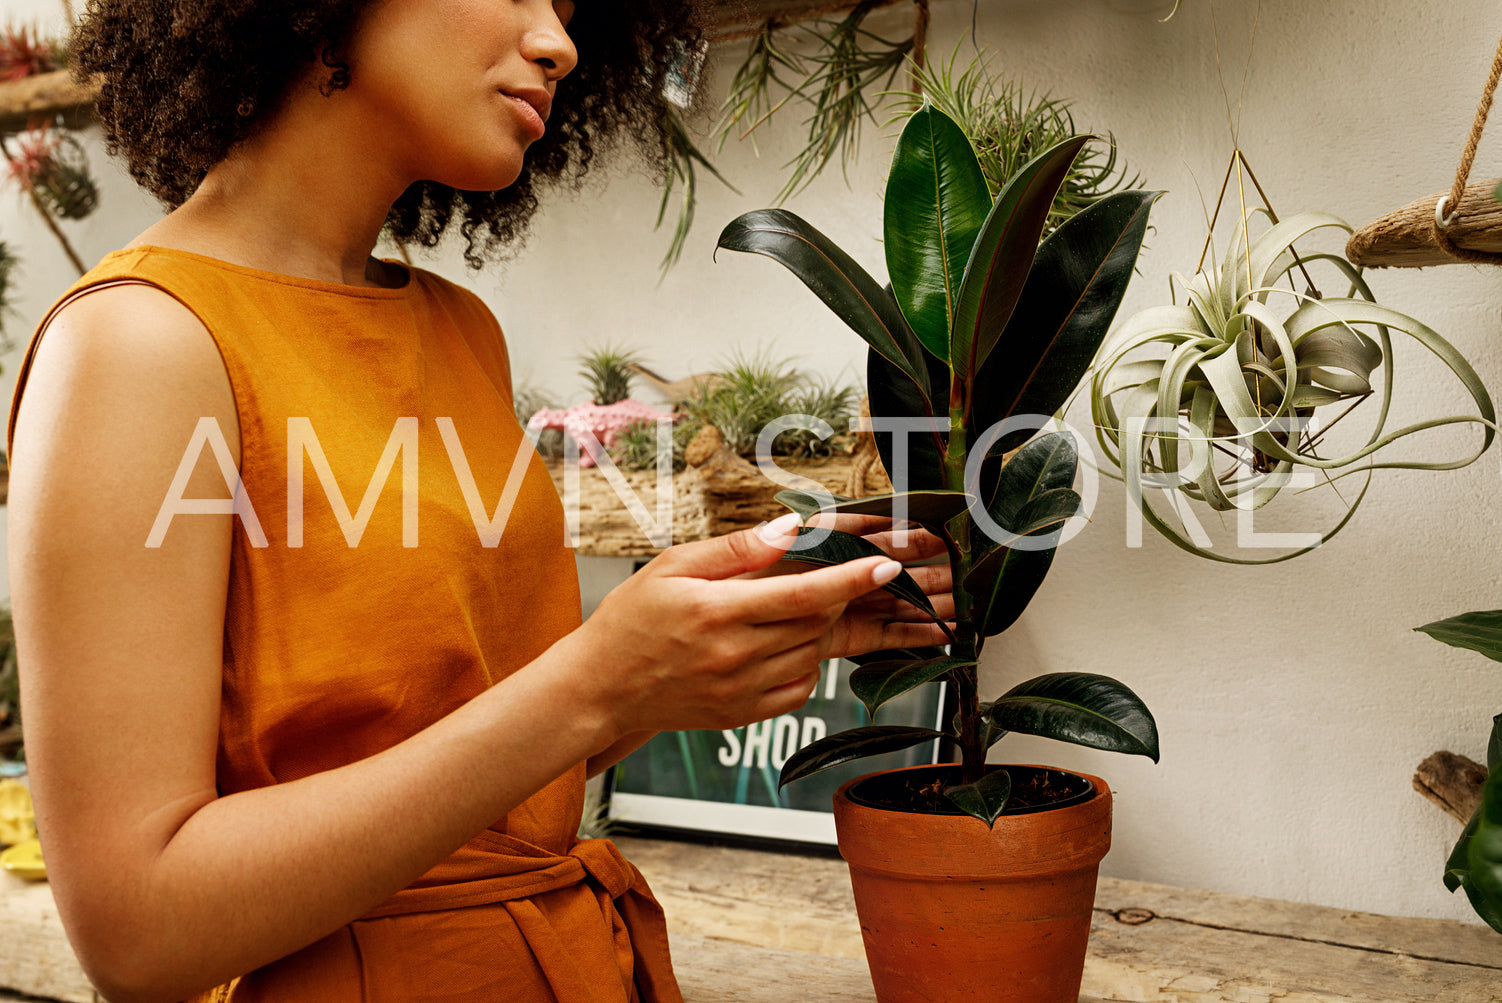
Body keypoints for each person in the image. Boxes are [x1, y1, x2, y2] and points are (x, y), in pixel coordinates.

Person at [5, 2, 956, 1001]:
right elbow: (137, 933)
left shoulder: (458, 330)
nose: (558, 42)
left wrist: (676, 668)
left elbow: (457, 754)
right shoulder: (136, 344)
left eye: (571, 7)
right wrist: (594, 682)